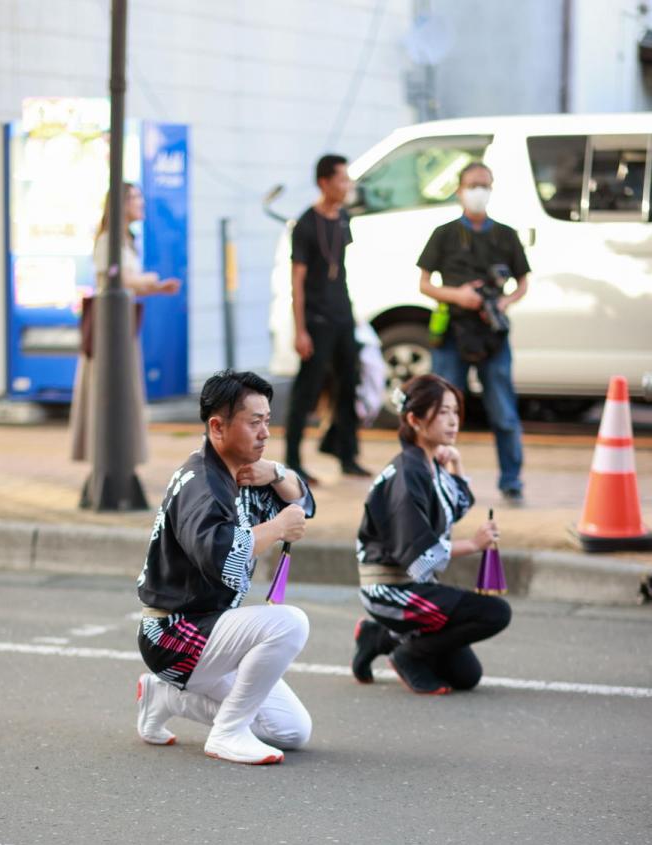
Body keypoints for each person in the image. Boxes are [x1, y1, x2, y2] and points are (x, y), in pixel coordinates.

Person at [136, 369, 315, 765]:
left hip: (214, 633)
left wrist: (279, 473)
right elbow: (220, 556)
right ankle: (228, 733)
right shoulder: (202, 483)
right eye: (254, 422)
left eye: (267, 420)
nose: (265, 432)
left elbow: (305, 507)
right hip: (173, 633)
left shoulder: (245, 471)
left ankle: (164, 697)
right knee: (290, 622)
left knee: (292, 732)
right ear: (218, 427)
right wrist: (277, 527)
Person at [352, 373, 511, 695]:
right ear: (414, 419)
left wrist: (456, 466)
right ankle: (407, 654)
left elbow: (456, 504)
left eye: (455, 411)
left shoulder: (426, 463)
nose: (453, 421)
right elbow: (418, 552)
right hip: (391, 590)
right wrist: (475, 544)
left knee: (467, 676)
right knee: (495, 612)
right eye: (442, 413)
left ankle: (379, 637)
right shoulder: (408, 474)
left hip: (415, 587)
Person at [417, 162, 530, 504]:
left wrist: (503, 303)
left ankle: (511, 480)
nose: (479, 191)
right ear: (459, 190)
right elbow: (424, 284)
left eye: (485, 185)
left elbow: (523, 282)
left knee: (503, 410)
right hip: (453, 330)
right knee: (441, 409)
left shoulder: (505, 234)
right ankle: (434, 474)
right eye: (473, 185)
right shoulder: (444, 234)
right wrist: (460, 296)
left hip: (492, 334)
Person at [70, 184, 181, 464]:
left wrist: (156, 288)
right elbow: (116, 281)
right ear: (120, 204)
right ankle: (106, 452)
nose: (141, 203)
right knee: (109, 386)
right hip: (110, 326)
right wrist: (150, 281)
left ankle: (123, 453)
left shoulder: (126, 240)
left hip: (124, 322)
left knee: (125, 386)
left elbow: (127, 283)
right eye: (135, 198)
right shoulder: (109, 240)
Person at [285, 154, 369, 484]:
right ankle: (293, 458)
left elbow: (340, 269)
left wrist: (352, 314)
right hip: (317, 319)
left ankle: (347, 453)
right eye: (342, 180)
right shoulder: (306, 224)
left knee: (349, 383)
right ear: (324, 182)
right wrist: (300, 329)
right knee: (308, 388)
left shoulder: (343, 218)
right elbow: (297, 282)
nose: (347, 186)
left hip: (342, 315)